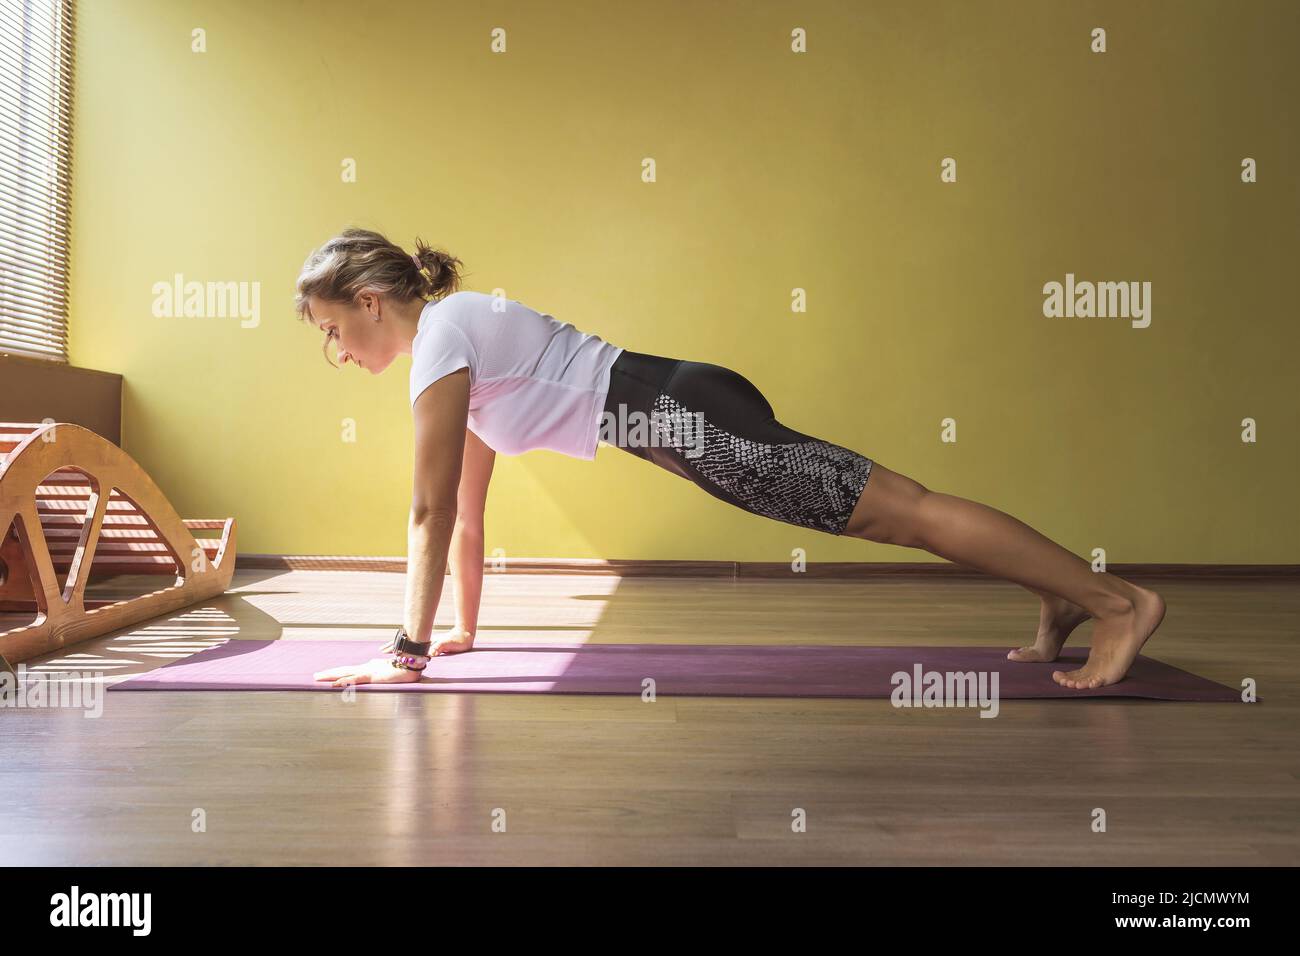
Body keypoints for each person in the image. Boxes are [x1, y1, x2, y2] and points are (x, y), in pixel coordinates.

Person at [294, 228, 1165, 690]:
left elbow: (428, 510)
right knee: (900, 508)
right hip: (678, 408)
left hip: (683, 419)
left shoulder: (446, 340)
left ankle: (1116, 603)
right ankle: (1058, 594)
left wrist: (401, 654)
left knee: (900, 510)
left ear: (371, 302)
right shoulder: (455, 346)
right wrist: (459, 634)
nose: (340, 353)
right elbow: (466, 515)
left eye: (334, 331)